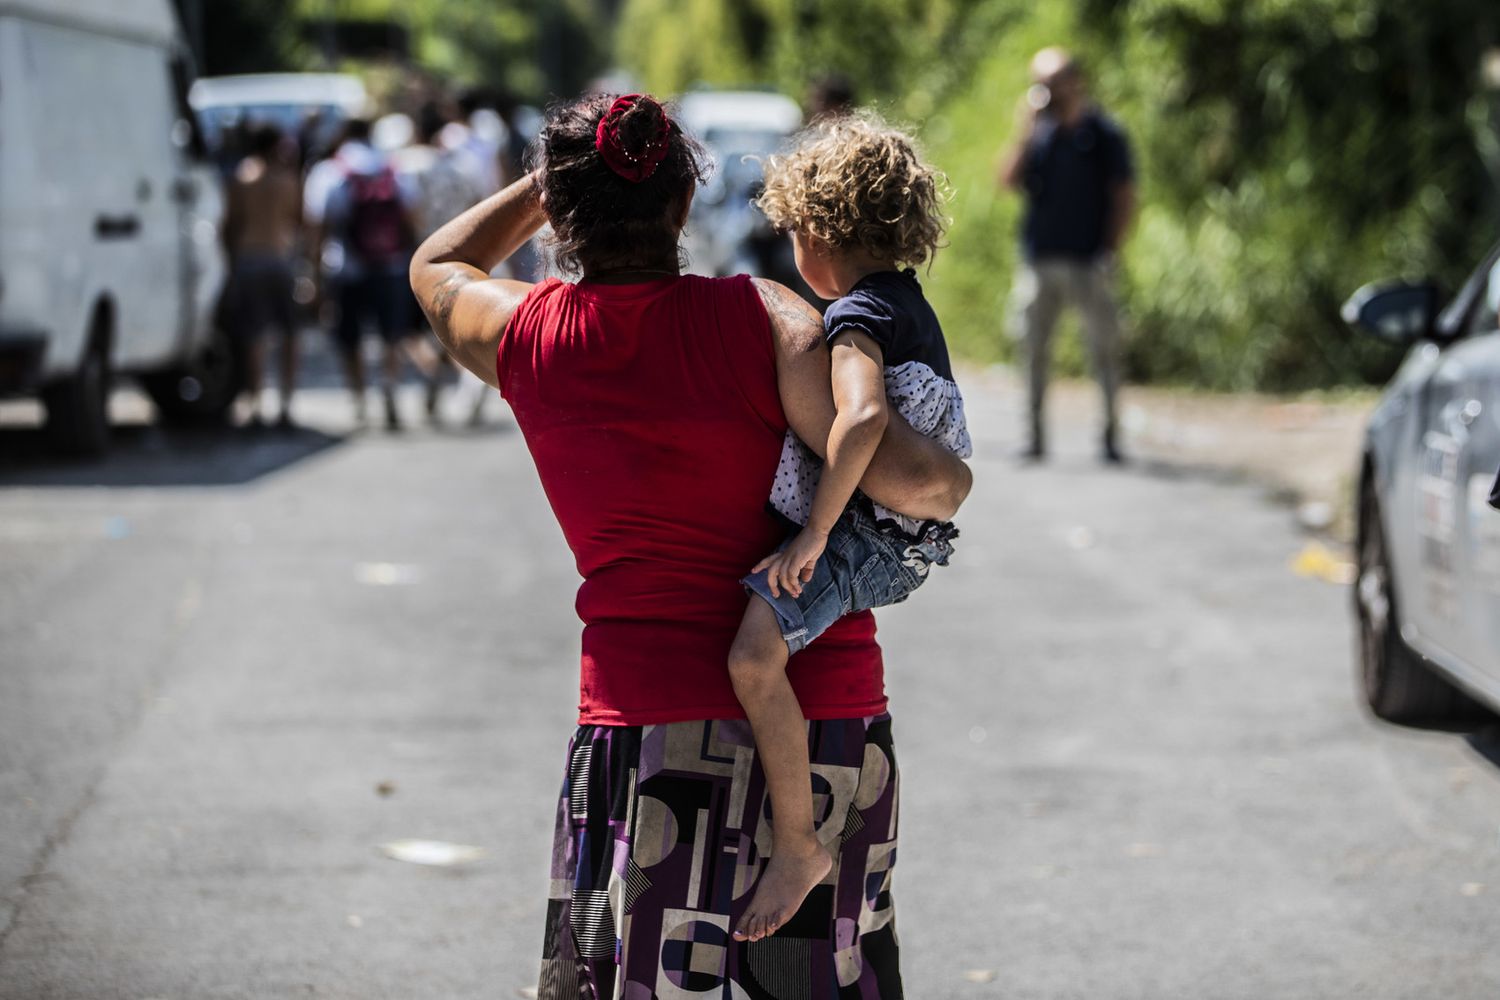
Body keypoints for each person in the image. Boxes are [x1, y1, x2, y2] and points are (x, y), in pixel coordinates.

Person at [410, 93, 971, 998]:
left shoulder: (526, 336)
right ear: (682, 209)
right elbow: (919, 484)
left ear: (562, 211)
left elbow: (439, 262)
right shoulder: (769, 322)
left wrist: (546, 186)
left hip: (644, 740)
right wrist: (954, 479)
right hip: (821, 713)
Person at [728, 113, 972, 943]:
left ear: (820, 231)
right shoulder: (906, 298)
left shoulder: (855, 317)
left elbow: (862, 420)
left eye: (793, 231)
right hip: (910, 529)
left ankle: (797, 846)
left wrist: (812, 536)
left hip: (877, 533)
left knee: (753, 658)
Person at [998, 47, 1135, 463]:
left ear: (1075, 81)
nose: (1043, 90)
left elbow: (1125, 196)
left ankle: (1110, 437)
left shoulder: (1105, 134)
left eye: (1050, 82)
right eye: (1038, 82)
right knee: (1033, 350)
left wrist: (1109, 250)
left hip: (1089, 261)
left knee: (1104, 350)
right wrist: (1024, 131)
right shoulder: (1039, 132)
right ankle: (1035, 438)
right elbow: (1006, 180)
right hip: (1040, 260)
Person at [305, 118, 431, 429]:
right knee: (391, 333)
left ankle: (360, 396)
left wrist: (313, 274)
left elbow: (317, 225)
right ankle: (389, 386)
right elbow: (412, 217)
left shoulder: (330, 171)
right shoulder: (392, 168)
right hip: (391, 265)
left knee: (351, 336)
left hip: (346, 267)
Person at [222, 123, 302, 429]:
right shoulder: (286, 179)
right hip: (279, 259)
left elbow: (230, 224)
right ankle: (286, 403)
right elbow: (297, 221)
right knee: (290, 335)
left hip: (248, 259)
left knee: (254, 336)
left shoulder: (242, 177)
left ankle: (255, 402)